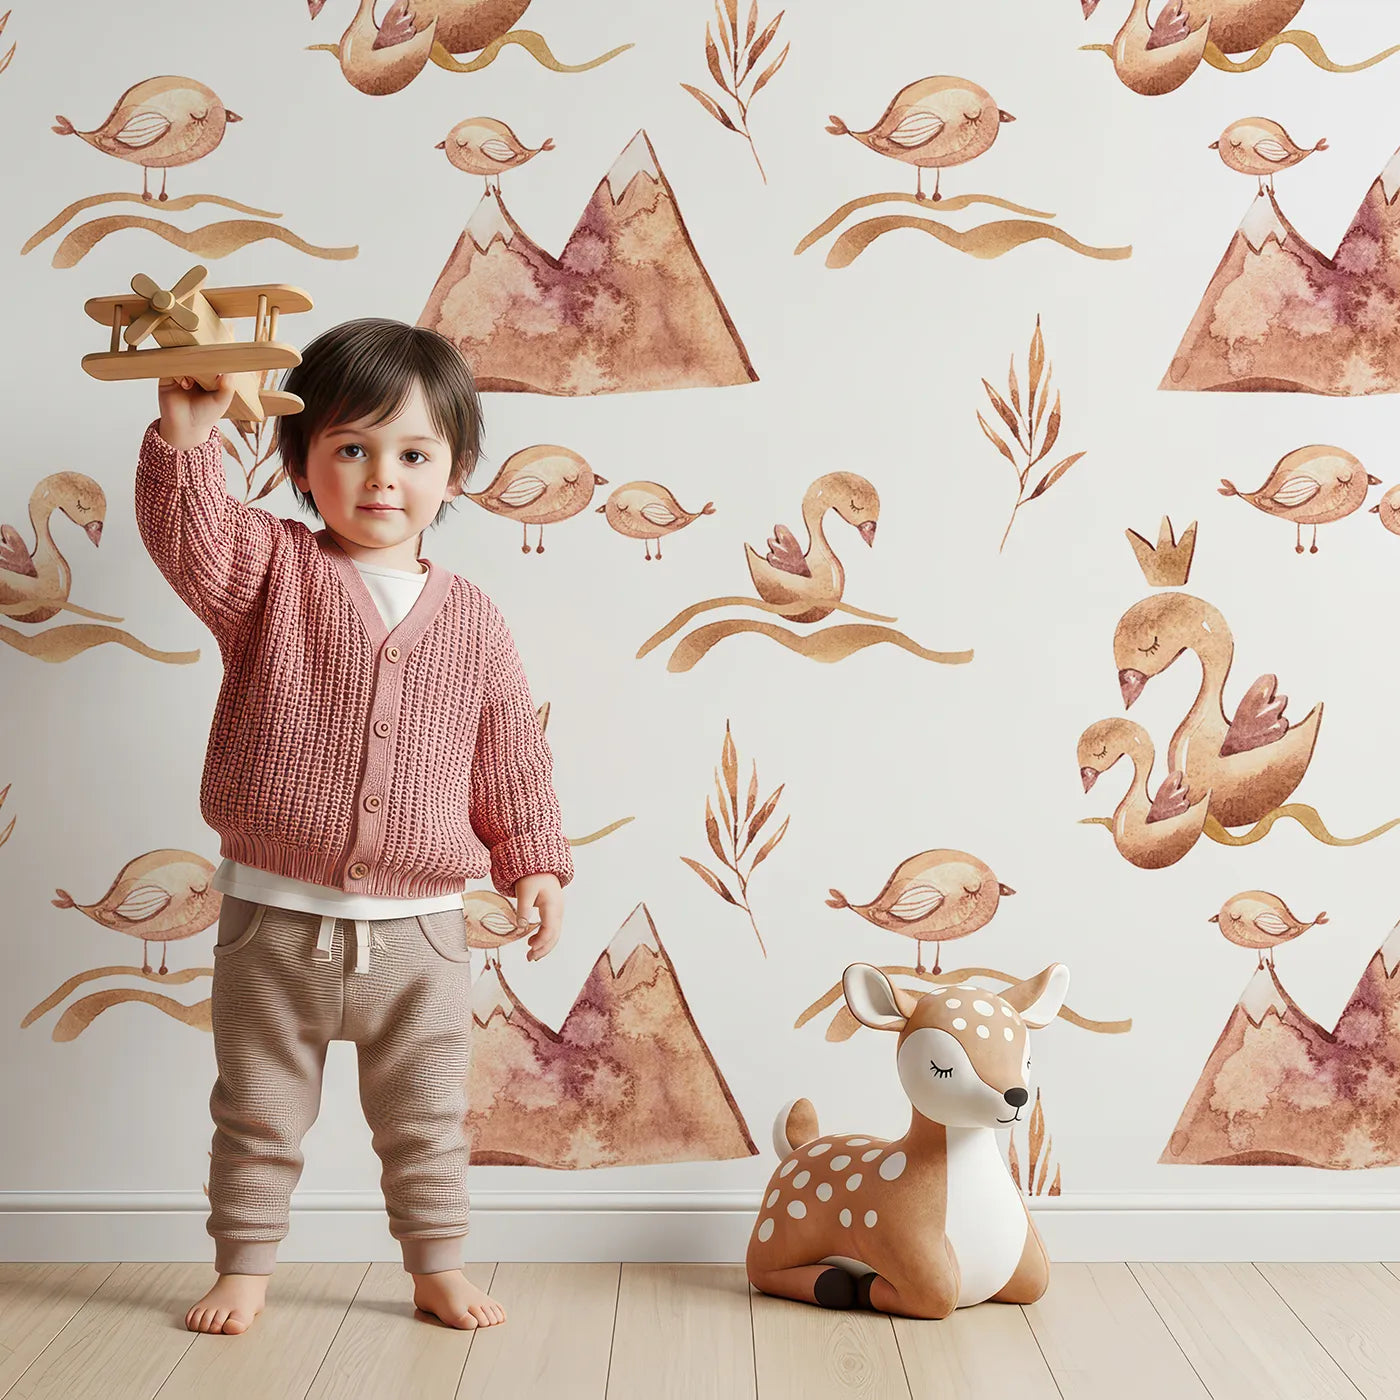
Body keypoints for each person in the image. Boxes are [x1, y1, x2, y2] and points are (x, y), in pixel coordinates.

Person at [133, 319, 574, 1336]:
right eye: (351, 448)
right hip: (271, 920)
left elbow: (508, 750)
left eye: (413, 453)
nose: (382, 477)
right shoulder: (269, 574)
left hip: (422, 932)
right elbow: (188, 537)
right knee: (257, 1109)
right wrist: (187, 439)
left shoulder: (471, 619)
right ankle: (244, 1266)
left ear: (457, 471)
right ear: (299, 462)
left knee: (425, 1118)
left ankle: (436, 1265)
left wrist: (533, 860)